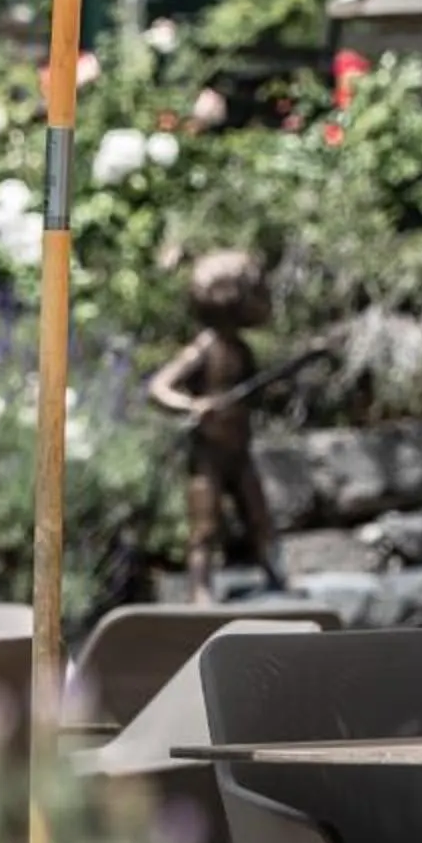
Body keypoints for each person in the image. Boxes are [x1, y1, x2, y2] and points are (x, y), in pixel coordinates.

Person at [146, 248, 287, 604]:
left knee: (259, 517)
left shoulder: (242, 350)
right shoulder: (204, 348)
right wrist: (192, 405)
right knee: (205, 525)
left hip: (240, 452)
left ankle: (275, 576)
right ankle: (200, 590)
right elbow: (159, 387)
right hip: (208, 456)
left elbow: (255, 394)